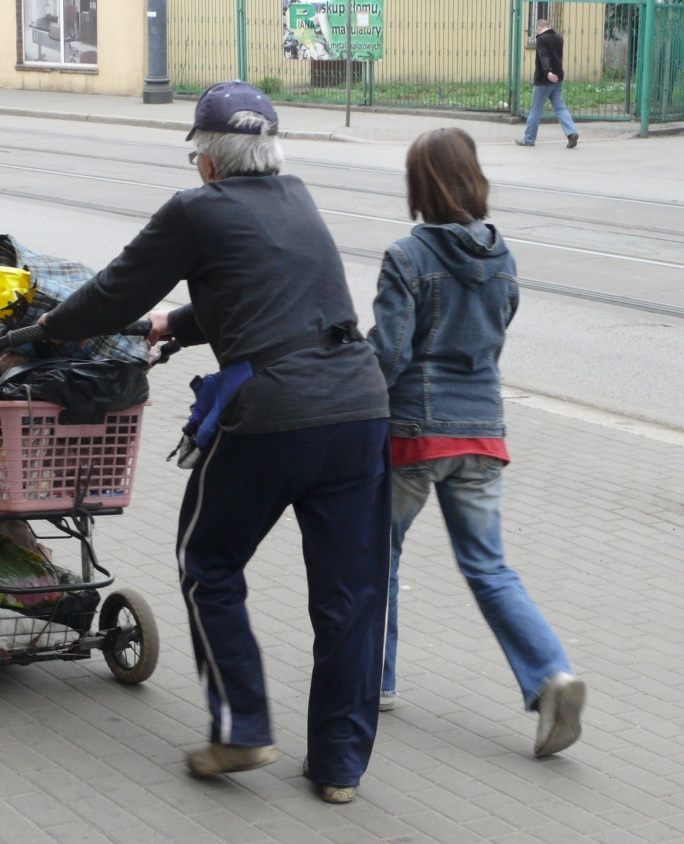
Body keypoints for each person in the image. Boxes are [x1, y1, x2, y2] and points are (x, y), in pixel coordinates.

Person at [39, 81, 392, 803]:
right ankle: (338, 768)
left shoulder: (196, 208)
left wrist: (43, 333)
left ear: (205, 157)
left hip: (273, 415)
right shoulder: (297, 197)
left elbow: (114, 292)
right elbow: (272, 290)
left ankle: (241, 727)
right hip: (359, 407)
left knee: (208, 559)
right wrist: (181, 325)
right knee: (353, 595)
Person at [368, 127, 586, 757]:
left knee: (376, 557)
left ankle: (375, 680)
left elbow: (389, 354)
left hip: (414, 433)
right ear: (471, 179)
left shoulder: (407, 256)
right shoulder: (503, 257)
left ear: (419, 187)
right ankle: (552, 676)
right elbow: (494, 335)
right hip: (483, 432)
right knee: (489, 567)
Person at [517, 19, 579, 148]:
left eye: (537, 30)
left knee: (536, 110)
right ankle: (572, 133)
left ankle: (529, 139)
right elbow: (557, 57)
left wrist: (548, 73)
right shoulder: (559, 38)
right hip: (558, 78)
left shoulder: (541, 39)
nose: (537, 32)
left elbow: (543, 56)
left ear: (539, 28)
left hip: (545, 80)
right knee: (561, 108)